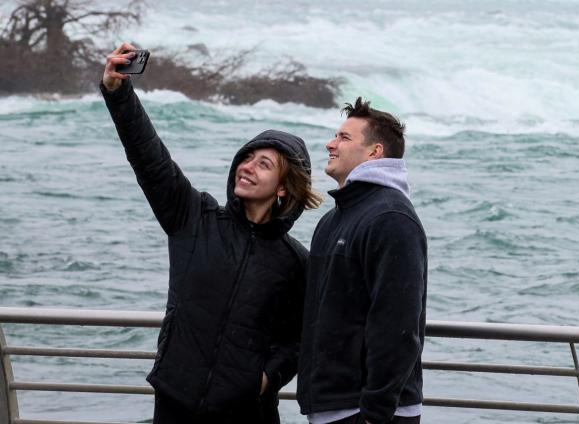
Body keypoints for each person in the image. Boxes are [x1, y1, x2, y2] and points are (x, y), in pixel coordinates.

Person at [101, 43, 321, 423]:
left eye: (263, 164)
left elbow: (300, 339)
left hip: (247, 412)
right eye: (246, 158)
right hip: (175, 403)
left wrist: (267, 378)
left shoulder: (295, 261)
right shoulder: (195, 218)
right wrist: (119, 93)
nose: (248, 167)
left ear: (284, 187)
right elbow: (149, 157)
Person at [298, 98, 427, 424]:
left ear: (375, 152)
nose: (330, 143)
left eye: (343, 137)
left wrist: (375, 413)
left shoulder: (391, 217)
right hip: (332, 406)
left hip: (370, 412)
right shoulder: (335, 218)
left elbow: (398, 325)